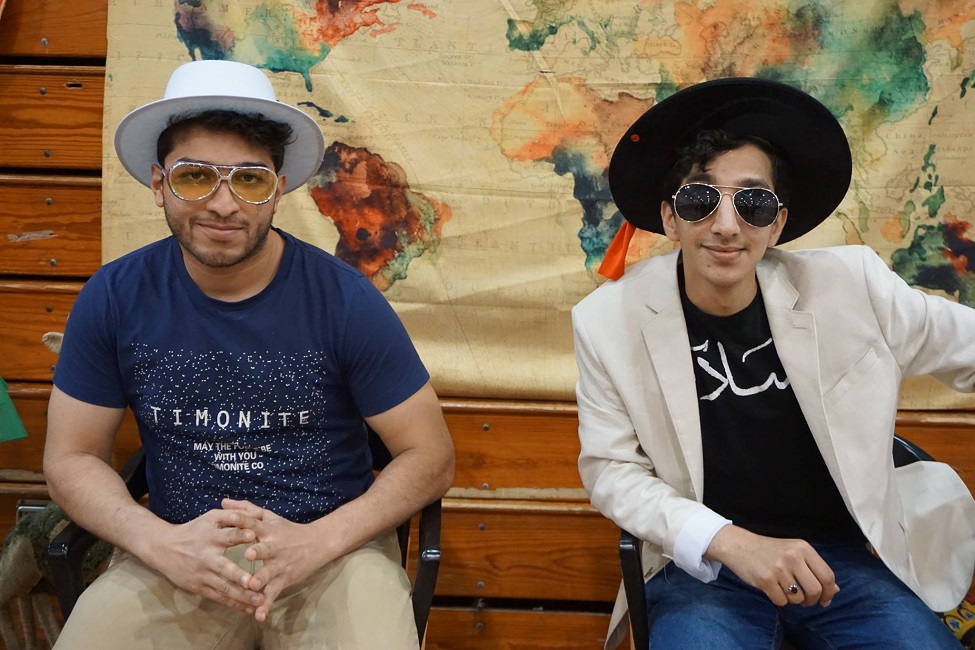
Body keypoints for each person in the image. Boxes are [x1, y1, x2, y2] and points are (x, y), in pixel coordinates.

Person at [43, 59, 454, 649]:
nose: (223, 203)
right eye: (194, 177)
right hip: (176, 552)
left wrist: (318, 542)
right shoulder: (114, 296)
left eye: (250, 179)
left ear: (279, 190)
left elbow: (430, 456)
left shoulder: (344, 300)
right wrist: (157, 541)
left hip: (334, 555)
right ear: (159, 184)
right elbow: (71, 458)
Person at [573, 77, 975, 649]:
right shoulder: (606, 321)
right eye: (699, 199)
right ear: (669, 217)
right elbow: (610, 471)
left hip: (846, 561)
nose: (726, 225)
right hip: (705, 568)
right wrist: (733, 543)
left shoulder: (852, 287)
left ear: (778, 222)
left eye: (753, 202)